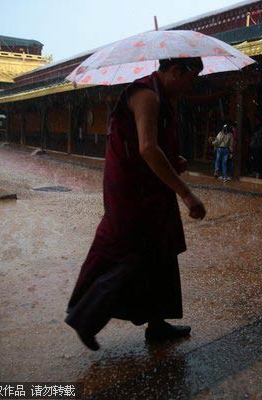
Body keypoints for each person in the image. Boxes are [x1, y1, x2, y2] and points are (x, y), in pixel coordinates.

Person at [65, 57, 207, 351]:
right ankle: (86, 318)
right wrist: (186, 194)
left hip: (150, 189)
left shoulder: (163, 96)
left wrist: (171, 159)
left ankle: (157, 325)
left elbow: (152, 148)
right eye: (191, 77)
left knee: (161, 254)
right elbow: (146, 148)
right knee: (131, 255)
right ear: (175, 71)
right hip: (133, 193)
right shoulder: (147, 96)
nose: (191, 85)